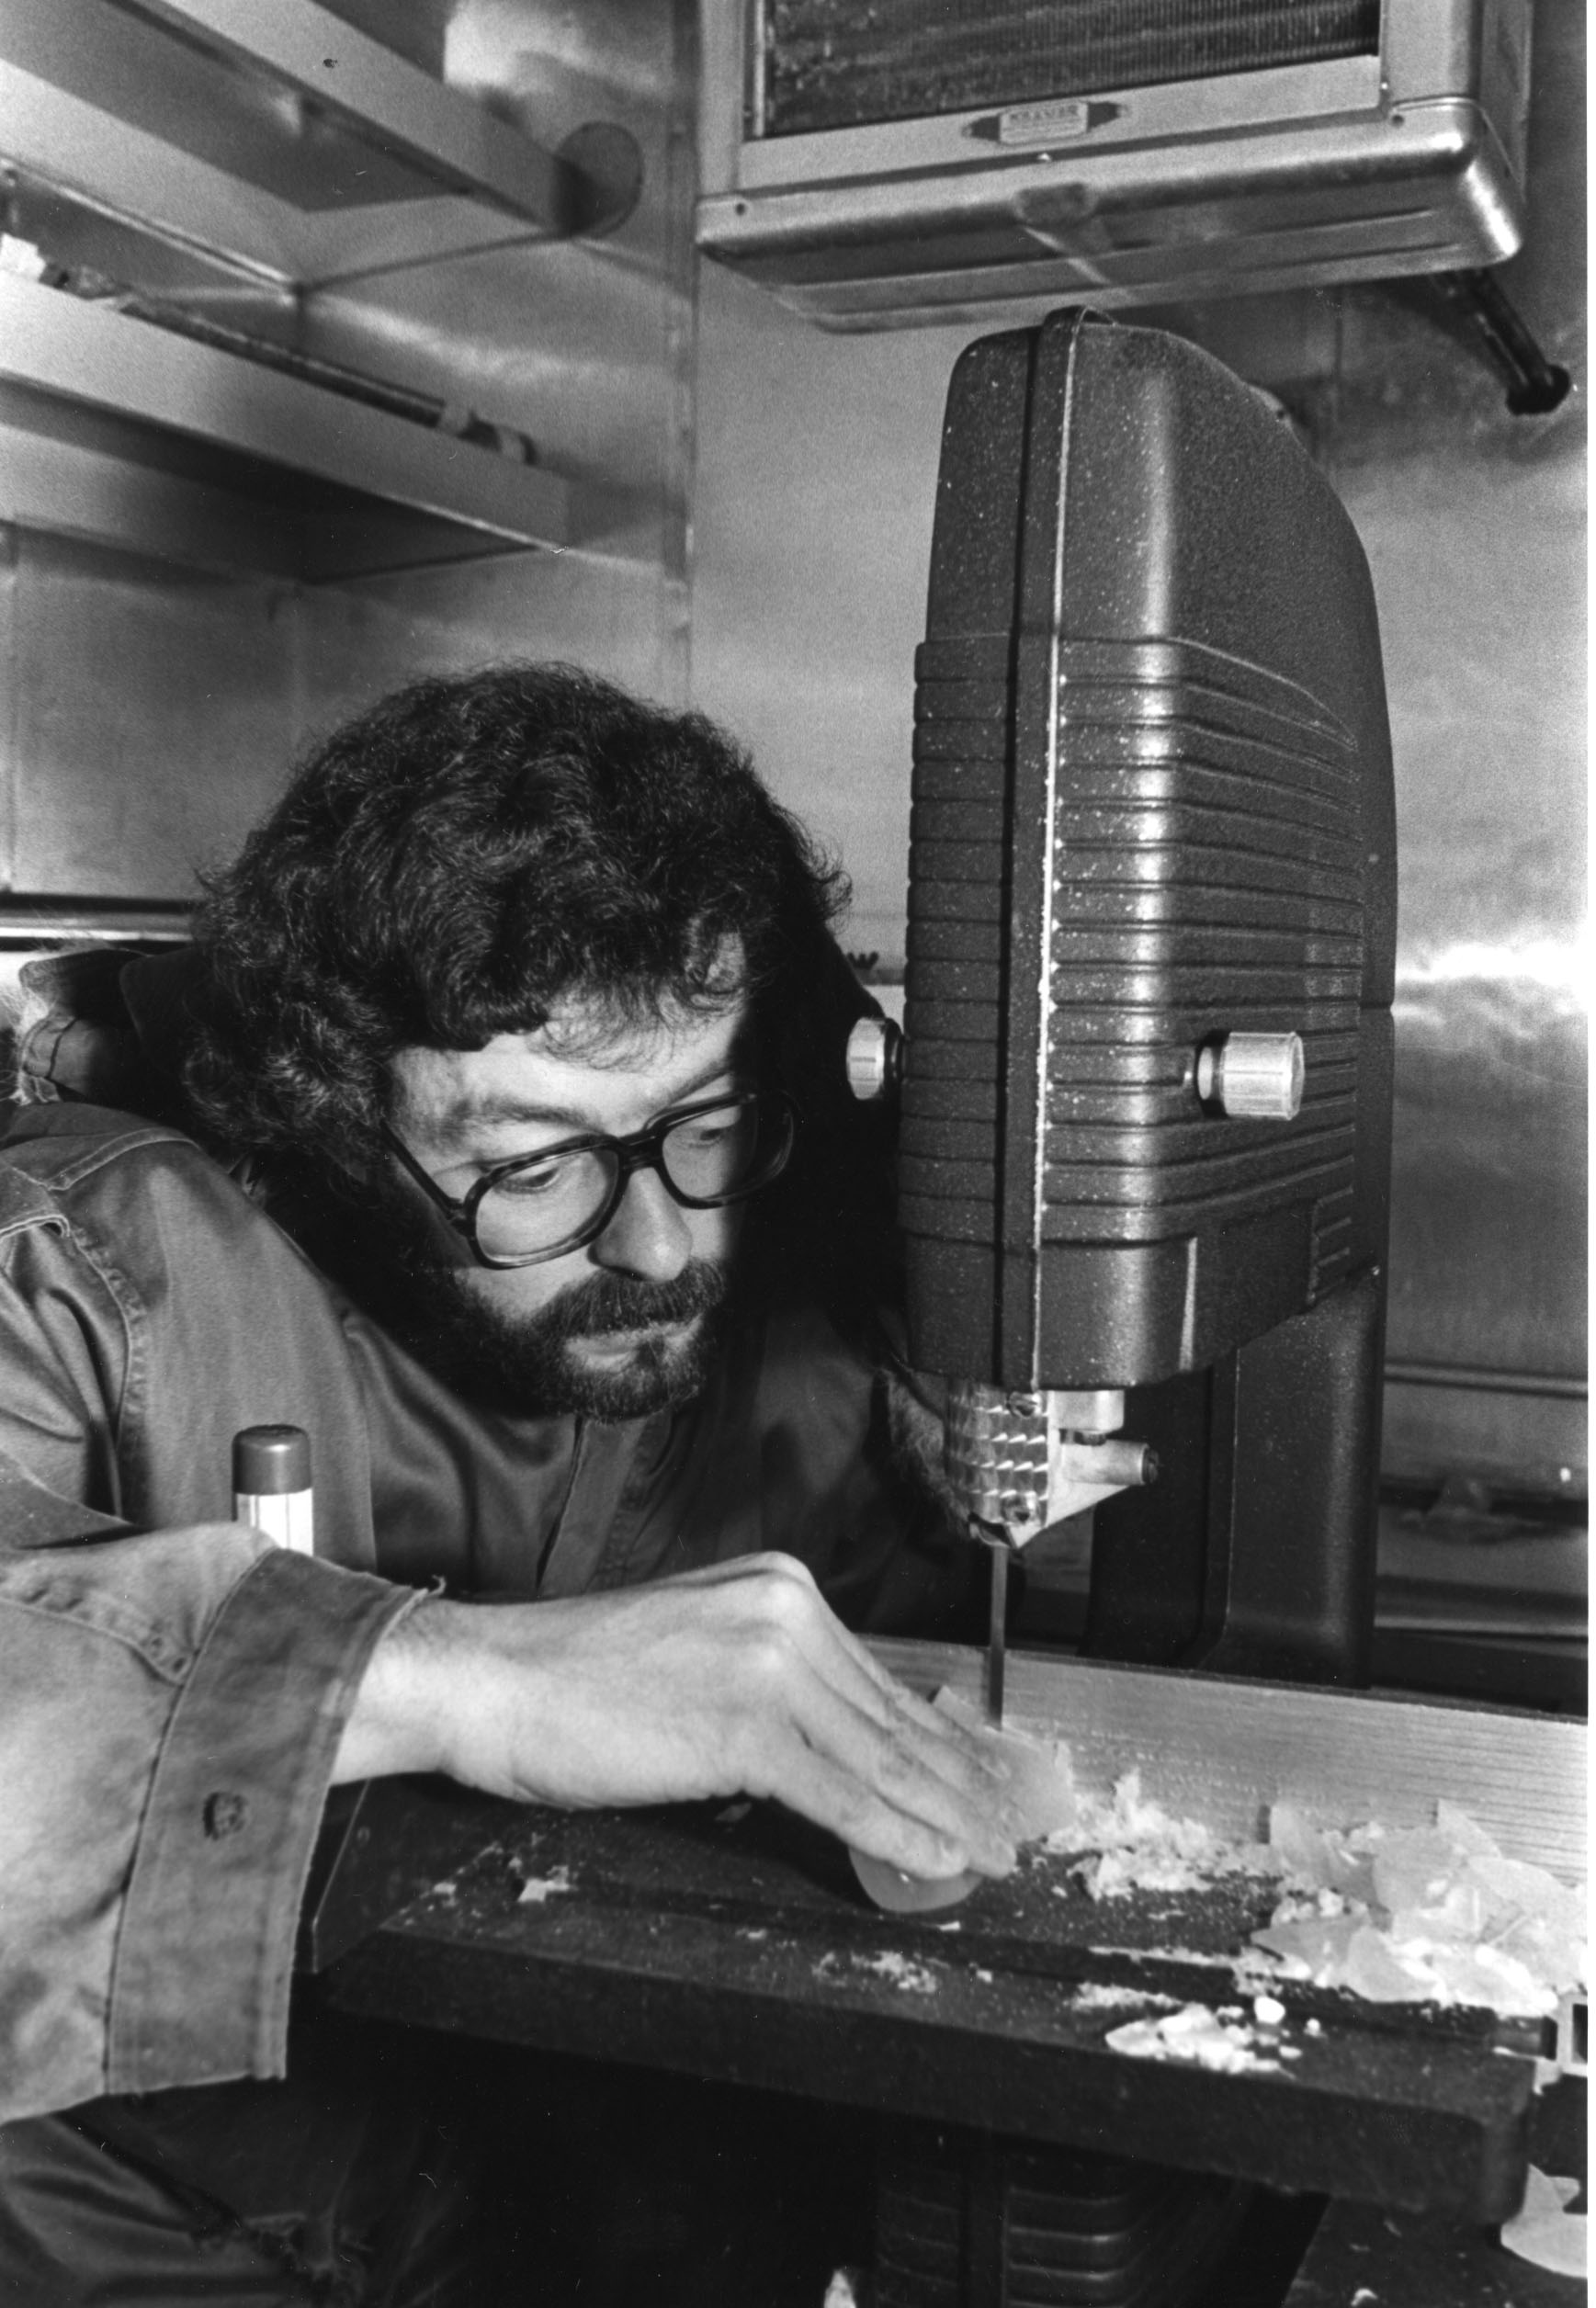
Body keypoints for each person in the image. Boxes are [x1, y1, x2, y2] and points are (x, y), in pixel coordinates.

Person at [0, 663, 1018, 2302]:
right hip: (134, 2228)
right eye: (532, 1167)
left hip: (599, 2212)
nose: (660, 1244)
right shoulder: (78, 1272)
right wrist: (449, 1679)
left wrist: (966, 1457)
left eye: (708, 1123)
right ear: (327, 1128)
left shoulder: (777, 1255)